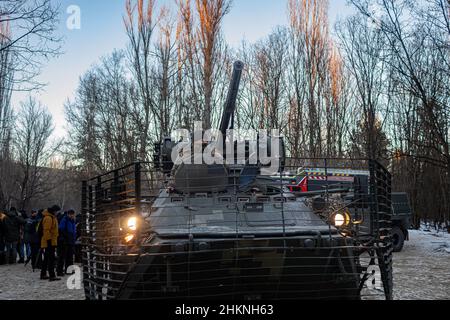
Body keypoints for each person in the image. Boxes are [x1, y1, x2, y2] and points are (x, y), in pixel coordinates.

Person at [40, 205, 61, 281]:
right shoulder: (49, 218)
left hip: (50, 241)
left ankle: (43, 274)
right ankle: (52, 275)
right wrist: (49, 241)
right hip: (49, 241)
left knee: (46, 258)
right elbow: (46, 230)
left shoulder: (51, 217)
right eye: (57, 211)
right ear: (54, 211)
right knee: (51, 259)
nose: (58, 213)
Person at [57, 209, 77, 276]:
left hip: (71, 241)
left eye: (73, 214)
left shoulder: (73, 221)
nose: (72, 215)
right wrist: (66, 236)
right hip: (65, 241)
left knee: (70, 256)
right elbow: (61, 229)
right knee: (62, 256)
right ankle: (59, 271)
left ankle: (69, 270)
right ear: (68, 214)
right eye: (71, 214)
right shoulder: (64, 220)